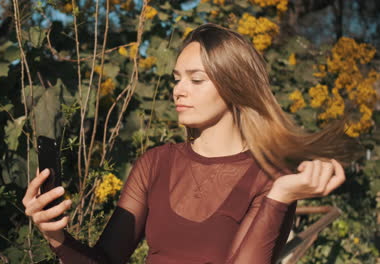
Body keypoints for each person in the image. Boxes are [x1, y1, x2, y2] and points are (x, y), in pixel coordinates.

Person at [22, 24, 357, 263]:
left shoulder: (269, 178)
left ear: (234, 86)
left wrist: (280, 196)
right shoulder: (155, 164)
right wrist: (55, 236)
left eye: (196, 79)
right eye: (177, 79)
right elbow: (106, 259)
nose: (178, 90)